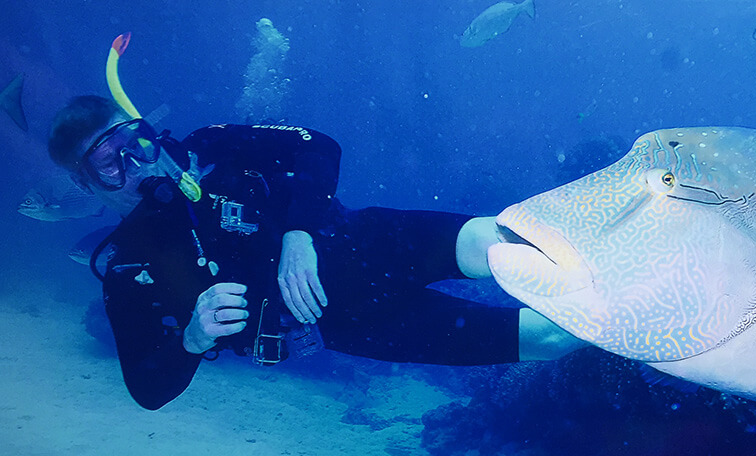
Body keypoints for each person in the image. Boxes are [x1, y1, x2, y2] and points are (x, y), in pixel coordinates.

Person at [47, 95, 588, 410]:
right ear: (83, 182)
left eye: (135, 142)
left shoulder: (209, 146)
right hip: (350, 322)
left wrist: (297, 232)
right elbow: (147, 389)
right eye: (109, 163)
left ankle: (640, 244)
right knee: (543, 342)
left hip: (361, 244)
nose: (137, 165)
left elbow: (319, 147)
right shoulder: (126, 269)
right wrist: (191, 337)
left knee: (492, 242)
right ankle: (643, 317)